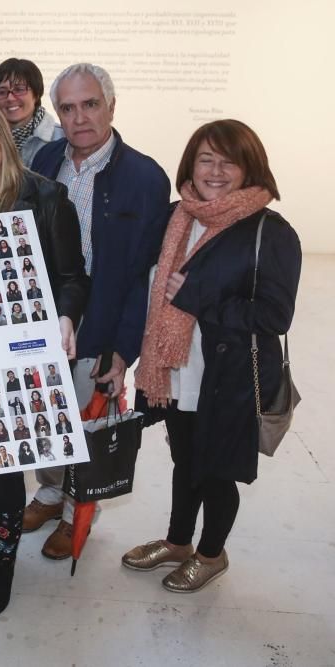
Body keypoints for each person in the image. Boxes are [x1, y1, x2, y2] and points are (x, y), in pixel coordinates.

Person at [125, 120, 301, 592]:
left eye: (229, 161)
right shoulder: (176, 216)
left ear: (250, 168)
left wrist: (201, 297)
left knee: (216, 471)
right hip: (175, 369)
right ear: (191, 163)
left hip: (228, 377)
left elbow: (275, 315)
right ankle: (178, 541)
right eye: (206, 159)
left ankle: (211, 553)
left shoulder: (269, 231)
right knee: (186, 460)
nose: (216, 171)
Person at [0, 99, 89, 617]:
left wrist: (67, 317)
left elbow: (73, 278)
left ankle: (4, 556)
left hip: (22, 356)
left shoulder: (47, 197)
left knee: (5, 461)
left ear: (3, 138)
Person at [27, 63, 172, 559]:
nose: (79, 116)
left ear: (111, 105)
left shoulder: (145, 177)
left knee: (87, 421)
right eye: (67, 107)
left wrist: (123, 349)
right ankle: (49, 490)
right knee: (43, 413)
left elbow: (145, 277)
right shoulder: (45, 160)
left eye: (90, 104)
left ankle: (76, 512)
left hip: (102, 320)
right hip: (47, 314)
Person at [0, 58, 63, 166]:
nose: (10, 98)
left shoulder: (61, 139)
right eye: (2, 92)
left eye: (19, 90)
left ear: (37, 94)